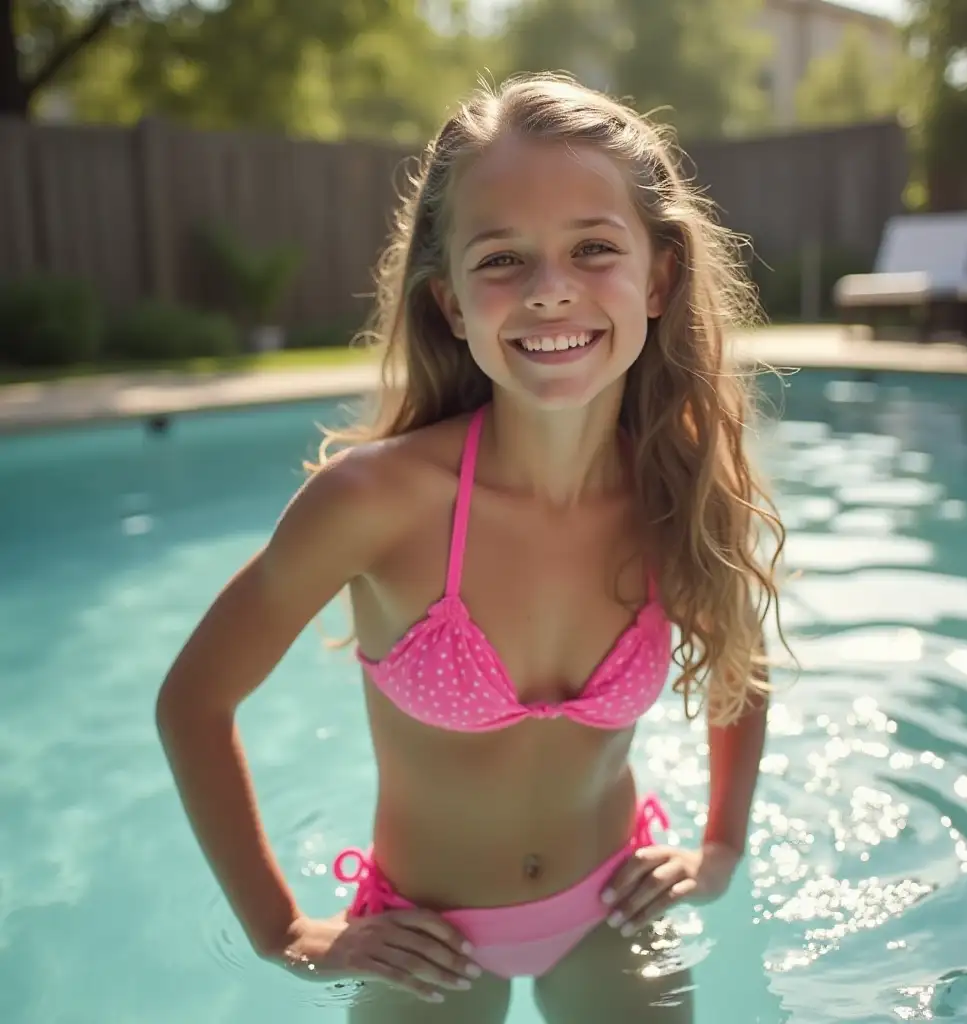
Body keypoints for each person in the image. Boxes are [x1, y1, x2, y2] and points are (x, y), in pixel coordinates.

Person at [155, 72, 787, 1023]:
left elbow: (745, 668)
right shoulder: (376, 502)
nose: (550, 292)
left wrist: (721, 847)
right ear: (450, 302)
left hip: (614, 906)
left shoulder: (677, 493)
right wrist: (282, 932)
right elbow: (193, 702)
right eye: (502, 261)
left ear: (657, 278)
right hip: (425, 940)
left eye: (592, 249)